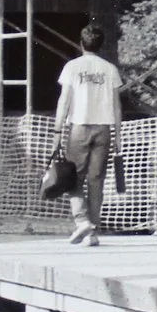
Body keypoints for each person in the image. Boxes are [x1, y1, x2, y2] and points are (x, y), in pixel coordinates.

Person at [54, 22, 121, 247]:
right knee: (96, 180)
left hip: (79, 127)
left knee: (74, 178)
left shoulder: (72, 67)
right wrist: (118, 134)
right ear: (101, 45)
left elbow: (64, 100)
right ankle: (92, 232)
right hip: (104, 128)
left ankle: (81, 220)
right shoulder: (109, 68)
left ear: (81, 43)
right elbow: (116, 104)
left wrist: (57, 129)